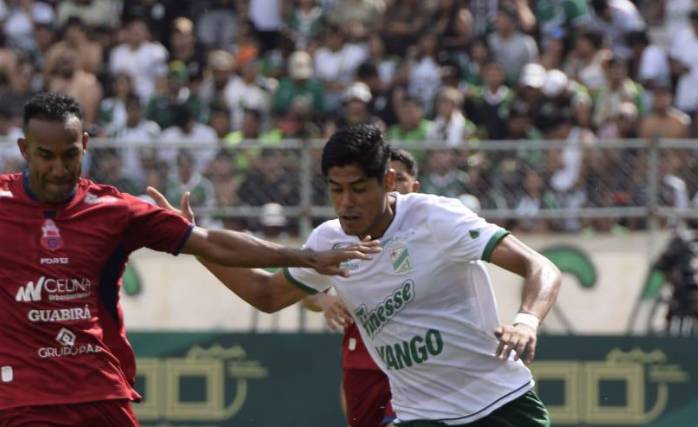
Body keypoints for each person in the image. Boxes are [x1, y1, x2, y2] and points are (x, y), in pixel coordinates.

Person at [0, 93, 379, 427]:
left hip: (104, 392)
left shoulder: (116, 210)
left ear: (87, 147)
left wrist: (301, 255)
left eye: (70, 155)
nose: (59, 169)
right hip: (27, 397)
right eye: (46, 156)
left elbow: (207, 243)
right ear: (24, 151)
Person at [150, 124, 561, 426]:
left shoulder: (435, 218)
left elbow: (539, 266)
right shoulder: (328, 241)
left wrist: (526, 321)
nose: (346, 203)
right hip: (421, 416)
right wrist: (193, 243)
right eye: (335, 189)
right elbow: (267, 294)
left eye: (358, 189)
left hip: (499, 404)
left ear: (387, 182)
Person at [302, 148, 420, 427]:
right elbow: (300, 290)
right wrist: (324, 301)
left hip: (416, 359)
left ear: (413, 186)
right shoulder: (342, 237)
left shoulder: (429, 229)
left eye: (401, 179)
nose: (395, 187)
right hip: (362, 359)